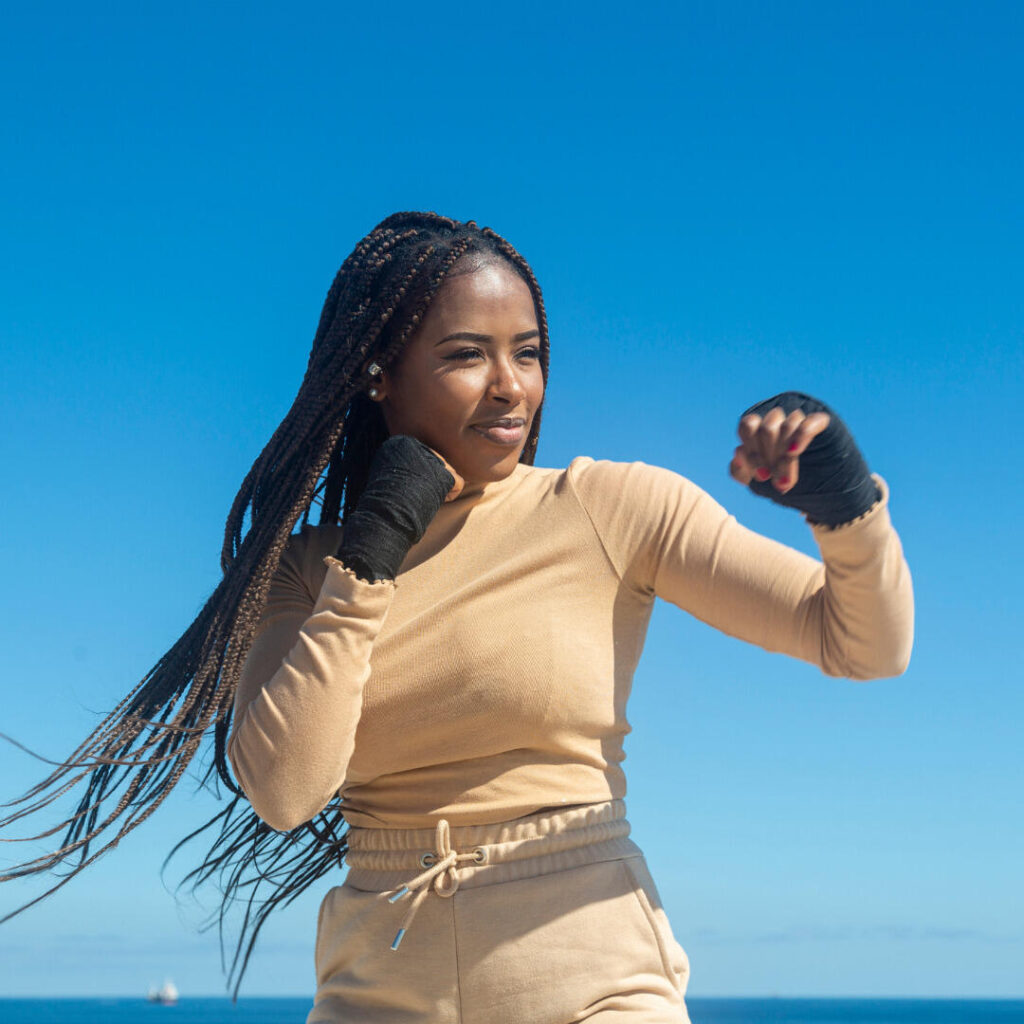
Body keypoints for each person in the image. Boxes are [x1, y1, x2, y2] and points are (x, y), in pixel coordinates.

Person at [0, 212, 913, 1023]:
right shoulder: (301, 568)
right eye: (466, 354)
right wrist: (370, 556)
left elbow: (861, 644)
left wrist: (844, 507)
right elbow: (284, 791)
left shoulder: (610, 507)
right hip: (378, 990)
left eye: (528, 352)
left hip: (599, 984)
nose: (511, 385)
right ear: (378, 376)